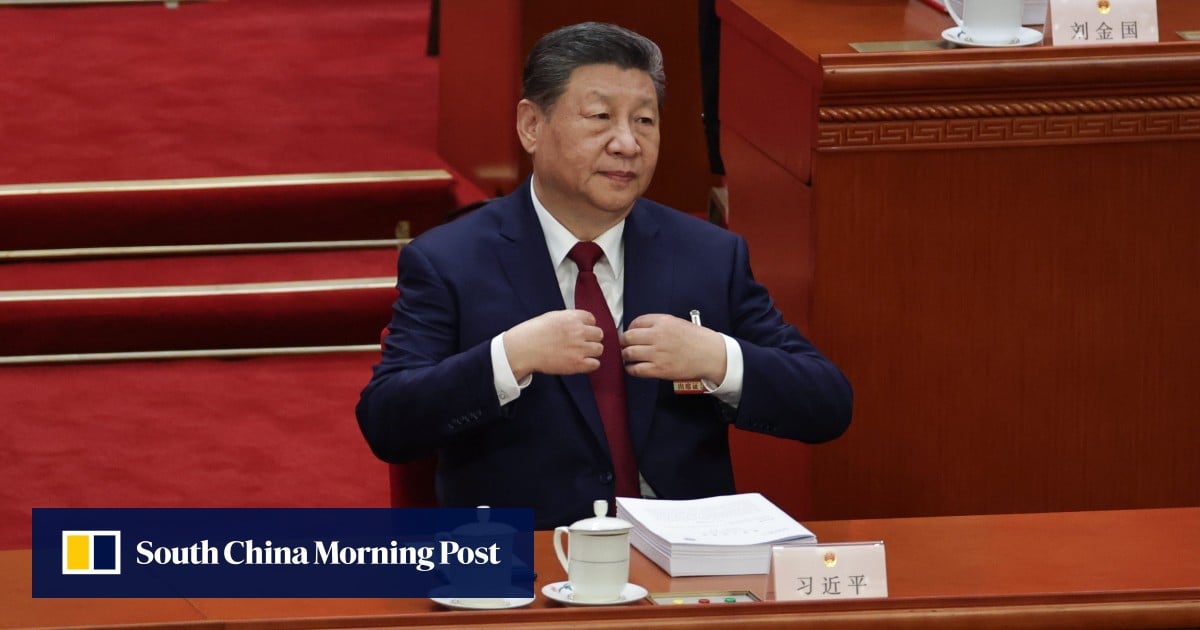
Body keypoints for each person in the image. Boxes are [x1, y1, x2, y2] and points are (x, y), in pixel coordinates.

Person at [356, 21, 852, 529]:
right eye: (600, 117)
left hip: (680, 559)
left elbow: (827, 404)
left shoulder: (708, 254)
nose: (628, 143)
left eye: (644, 121)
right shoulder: (450, 260)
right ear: (531, 126)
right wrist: (508, 358)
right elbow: (387, 422)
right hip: (526, 555)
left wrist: (717, 358)